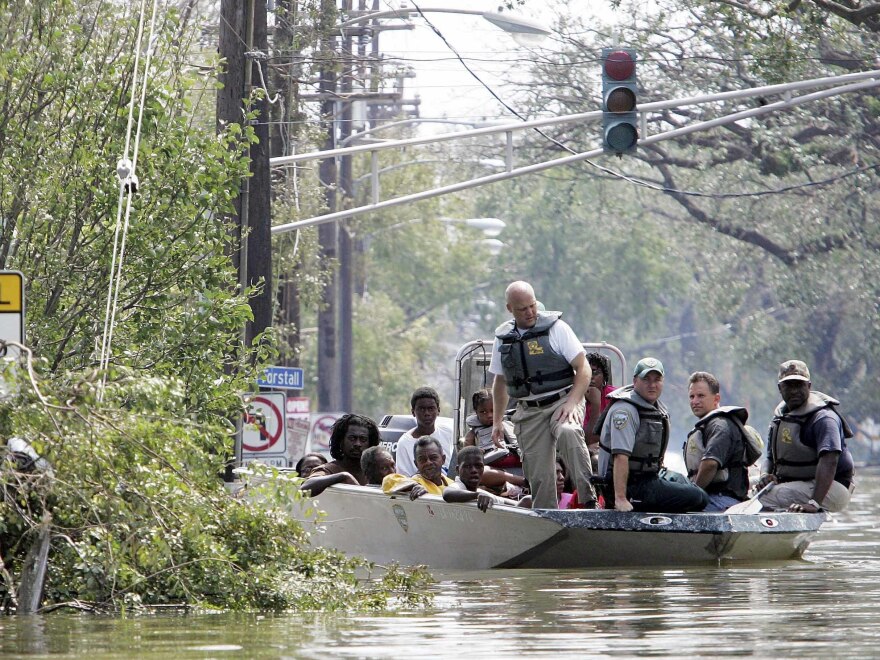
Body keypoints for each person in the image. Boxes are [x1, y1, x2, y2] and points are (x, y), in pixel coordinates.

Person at [489, 281, 596, 509]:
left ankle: (588, 501)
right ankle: (547, 514)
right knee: (539, 474)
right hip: (529, 410)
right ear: (510, 309)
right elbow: (500, 382)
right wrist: (497, 421)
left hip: (562, 400)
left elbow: (583, 368)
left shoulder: (557, 329)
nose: (529, 312)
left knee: (569, 432)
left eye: (532, 306)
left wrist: (572, 402)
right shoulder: (503, 338)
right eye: (522, 309)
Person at [596, 357, 709, 513]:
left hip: (647, 479)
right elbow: (620, 456)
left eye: (657, 379)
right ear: (635, 381)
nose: (652, 385)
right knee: (698, 497)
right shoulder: (625, 411)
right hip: (629, 486)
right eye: (646, 379)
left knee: (686, 483)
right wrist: (620, 499)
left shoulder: (654, 408)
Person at [757, 360, 855, 513]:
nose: (794, 391)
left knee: (760, 498)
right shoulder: (780, 418)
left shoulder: (824, 418)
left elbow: (830, 461)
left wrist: (814, 503)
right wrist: (765, 475)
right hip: (800, 483)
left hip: (832, 488)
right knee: (747, 487)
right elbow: (770, 457)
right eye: (789, 385)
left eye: (799, 385)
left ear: (809, 386)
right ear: (780, 388)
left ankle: (773, 534)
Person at [683, 371, 750, 511]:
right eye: (692, 396)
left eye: (701, 396)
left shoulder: (720, 426)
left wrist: (692, 495)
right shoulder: (707, 425)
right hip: (712, 496)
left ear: (716, 398)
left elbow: (710, 464)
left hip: (722, 499)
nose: (695, 401)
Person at [301, 414, 380, 495]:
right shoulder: (329, 469)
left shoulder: (375, 471)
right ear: (341, 441)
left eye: (363, 439)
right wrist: (343, 476)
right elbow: (305, 488)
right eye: (352, 438)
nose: (357, 444)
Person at [395, 386, 454, 477]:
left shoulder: (448, 433)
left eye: (431, 408)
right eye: (422, 409)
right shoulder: (404, 443)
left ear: (438, 410)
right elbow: (404, 478)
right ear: (413, 412)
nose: (427, 413)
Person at [464, 388, 521, 470]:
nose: (489, 415)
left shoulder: (509, 422)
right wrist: (475, 451)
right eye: (483, 412)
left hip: (514, 458)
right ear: (476, 412)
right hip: (490, 463)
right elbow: (466, 453)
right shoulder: (473, 434)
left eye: (493, 411)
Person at [382, 436, 455, 499]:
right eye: (422, 459)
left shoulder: (452, 484)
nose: (428, 462)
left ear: (443, 459)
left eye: (433, 458)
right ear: (416, 464)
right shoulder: (416, 482)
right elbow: (387, 481)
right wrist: (413, 485)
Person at [443, 446, 513, 511]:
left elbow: (507, 502)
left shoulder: (481, 493)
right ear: (458, 470)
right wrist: (476, 495)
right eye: (467, 466)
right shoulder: (459, 486)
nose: (474, 470)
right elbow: (447, 493)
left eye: (478, 466)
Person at [583, 352, 617, 464]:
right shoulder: (575, 399)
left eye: (595, 373)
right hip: (585, 449)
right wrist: (595, 404)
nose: (590, 377)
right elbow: (588, 439)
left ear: (604, 377)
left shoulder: (615, 396)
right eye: (586, 372)